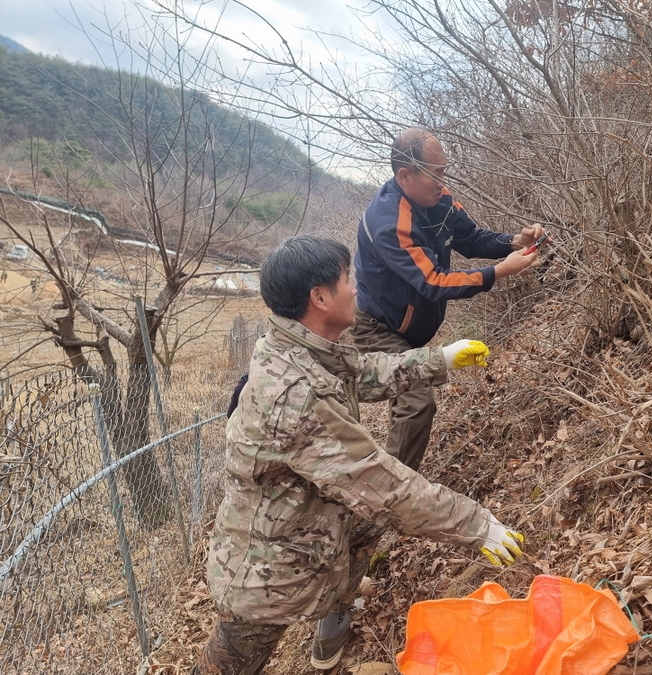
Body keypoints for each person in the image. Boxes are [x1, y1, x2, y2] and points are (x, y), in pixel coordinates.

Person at [192, 234, 525, 675]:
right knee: (232, 662)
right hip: (266, 570)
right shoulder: (294, 395)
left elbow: (362, 371)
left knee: (366, 523)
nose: (355, 289)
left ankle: (333, 624)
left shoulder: (302, 346)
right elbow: (380, 483)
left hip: (309, 529)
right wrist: (476, 525)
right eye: (348, 279)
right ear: (320, 298)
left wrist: (441, 359)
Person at [352, 126, 545, 471]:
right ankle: (392, 489)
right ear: (405, 175)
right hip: (380, 327)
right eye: (435, 174)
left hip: (411, 324)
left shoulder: (437, 198)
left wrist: (515, 241)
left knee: (410, 402)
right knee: (416, 403)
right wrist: (500, 271)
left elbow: (470, 239)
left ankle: (394, 477)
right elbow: (433, 282)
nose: (443, 183)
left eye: (444, 171)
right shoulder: (390, 224)